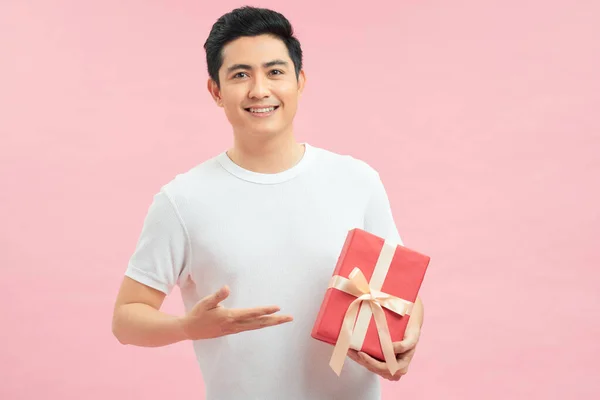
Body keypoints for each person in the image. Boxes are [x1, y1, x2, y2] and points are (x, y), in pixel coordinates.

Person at [111, 6, 424, 400]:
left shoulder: (357, 180)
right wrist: (187, 327)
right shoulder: (182, 199)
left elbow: (401, 295)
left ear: (299, 81)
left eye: (275, 72)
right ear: (216, 91)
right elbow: (126, 319)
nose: (259, 89)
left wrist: (407, 336)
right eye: (240, 75)